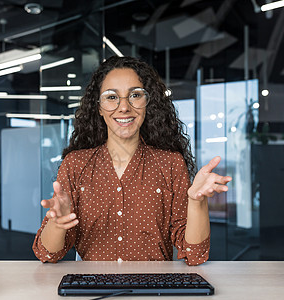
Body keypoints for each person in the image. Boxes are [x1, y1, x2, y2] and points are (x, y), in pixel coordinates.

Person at [32, 56, 232, 265]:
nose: (124, 107)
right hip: (93, 290)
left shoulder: (171, 164)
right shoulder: (75, 164)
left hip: (154, 291)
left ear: (147, 103)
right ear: (99, 107)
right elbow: (47, 254)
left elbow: (195, 254)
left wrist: (197, 201)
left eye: (135, 95)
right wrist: (57, 224)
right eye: (112, 97)